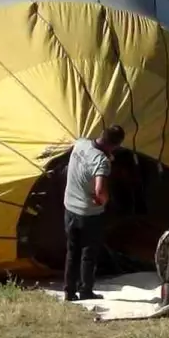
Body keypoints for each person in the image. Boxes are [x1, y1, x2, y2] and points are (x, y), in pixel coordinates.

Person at [63, 124, 126, 301]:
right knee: (88, 254)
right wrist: (103, 201)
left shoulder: (80, 143)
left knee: (71, 252)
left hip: (69, 207)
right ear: (116, 145)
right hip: (88, 214)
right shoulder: (102, 162)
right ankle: (85, 291)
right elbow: (99, 190)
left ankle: (69, 292)